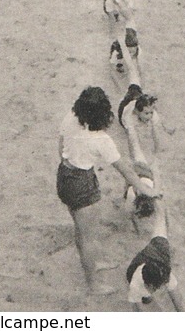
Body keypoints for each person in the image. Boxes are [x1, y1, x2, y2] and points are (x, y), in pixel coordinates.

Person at [57, 86, 159, 295]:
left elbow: (61, 146)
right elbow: (126, 171)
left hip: (65, 175)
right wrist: (144, 189)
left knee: (82, 229)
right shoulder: (101, 140)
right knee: (88, 237)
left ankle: (94, 264)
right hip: (82, 183)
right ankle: (93, 284)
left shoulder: (70, 116)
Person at [126, 200, 183, 310]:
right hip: (136, 267)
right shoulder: (136, 284)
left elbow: (175, 295)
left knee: (161, 226)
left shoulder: (164, 271)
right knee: (146, 298)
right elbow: (138, 309)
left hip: (158, 249)